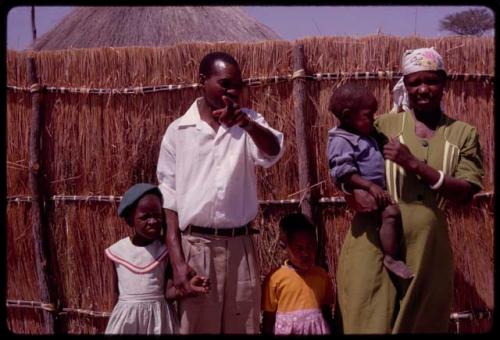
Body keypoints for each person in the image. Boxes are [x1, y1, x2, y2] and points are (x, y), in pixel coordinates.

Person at [335, 47, 484, 333]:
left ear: (445, 83)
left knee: (421, 323)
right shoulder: (382, 126)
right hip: (373, 240)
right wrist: (351, 192)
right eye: (415, 82)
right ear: (405, 86)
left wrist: (414, 165)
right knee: (368, 318)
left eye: (431, 81)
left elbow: (465, 193)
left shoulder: (462, 134)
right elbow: (344, 158)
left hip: (428, 247)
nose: (423, 89)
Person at [156, 51, 284, 334]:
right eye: (225, 83)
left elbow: (273, 150)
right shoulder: (178, 131)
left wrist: (246, 124)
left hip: (241, 249)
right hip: (196, 249)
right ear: (201, 80)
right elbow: (169, 201)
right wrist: (177, 262)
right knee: (197, 327)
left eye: (238, 84)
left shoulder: (249, 122)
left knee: (244, 327)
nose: (233, 91)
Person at [326, 83, 413, 280]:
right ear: (348, 116)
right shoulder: (341, 140)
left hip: (378, 190)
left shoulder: (366, 133)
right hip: (369, 192)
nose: (373, 119)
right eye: (368, 115)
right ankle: (391, 258)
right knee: (390, 213)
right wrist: (369, 187)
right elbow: (344, 172)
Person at [104, 183, 210, 335]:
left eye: (157, 216)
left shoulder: (164, 251)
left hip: (158, 322)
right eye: (145, 217)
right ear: (129, 220)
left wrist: (189, 288)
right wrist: (114, 318)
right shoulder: (117, 252)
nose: (153, 221)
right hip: (126, 321)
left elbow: (167, 293)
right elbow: (115, 293)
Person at [262, 213, 333, 335]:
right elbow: (269, 318)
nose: (305, 253)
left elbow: (326, 311)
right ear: (285, 247)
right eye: (299, 248)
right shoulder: (275, 278)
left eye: (310, 247)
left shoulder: (322, 276)